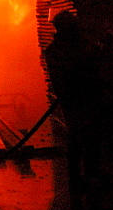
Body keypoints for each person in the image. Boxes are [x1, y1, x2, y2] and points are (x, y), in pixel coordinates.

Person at [42, 10, 101, 195]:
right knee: (88, 146)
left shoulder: (54, 51)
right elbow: (85, 68)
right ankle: (89, 186)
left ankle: (77, 186)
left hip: (71, 105)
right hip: (81, 103)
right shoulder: (70, 50)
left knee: (76, 146)